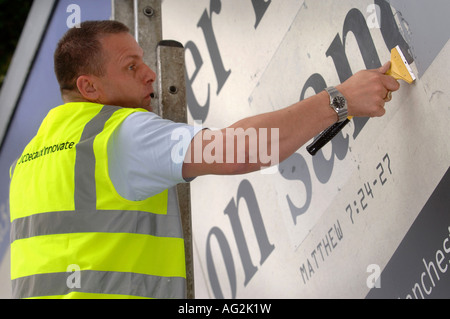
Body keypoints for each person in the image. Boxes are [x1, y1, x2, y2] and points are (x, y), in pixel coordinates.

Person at [9, 20, 400, 299]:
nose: (149, 75)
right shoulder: (118, 133)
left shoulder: (25, 167)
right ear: (89, 87)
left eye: (143, 61)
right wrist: (341, 100)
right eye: (131, 67)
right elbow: (246, 148)